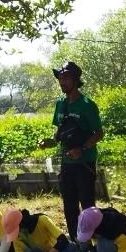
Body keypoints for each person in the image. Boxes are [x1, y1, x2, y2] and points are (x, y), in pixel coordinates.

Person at [38, 61, 104, 241]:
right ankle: (76, 242)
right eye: (60, 78)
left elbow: (99, 133)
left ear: (76, 80)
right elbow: (59, 132)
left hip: (84, 163)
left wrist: (82, 149)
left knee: (87, 204)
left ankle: (94, 240)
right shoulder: (60, 104)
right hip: (66, 164)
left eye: (66, 78)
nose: (62, 82)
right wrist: (49, 142)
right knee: (69, 205)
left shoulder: (87, 105)